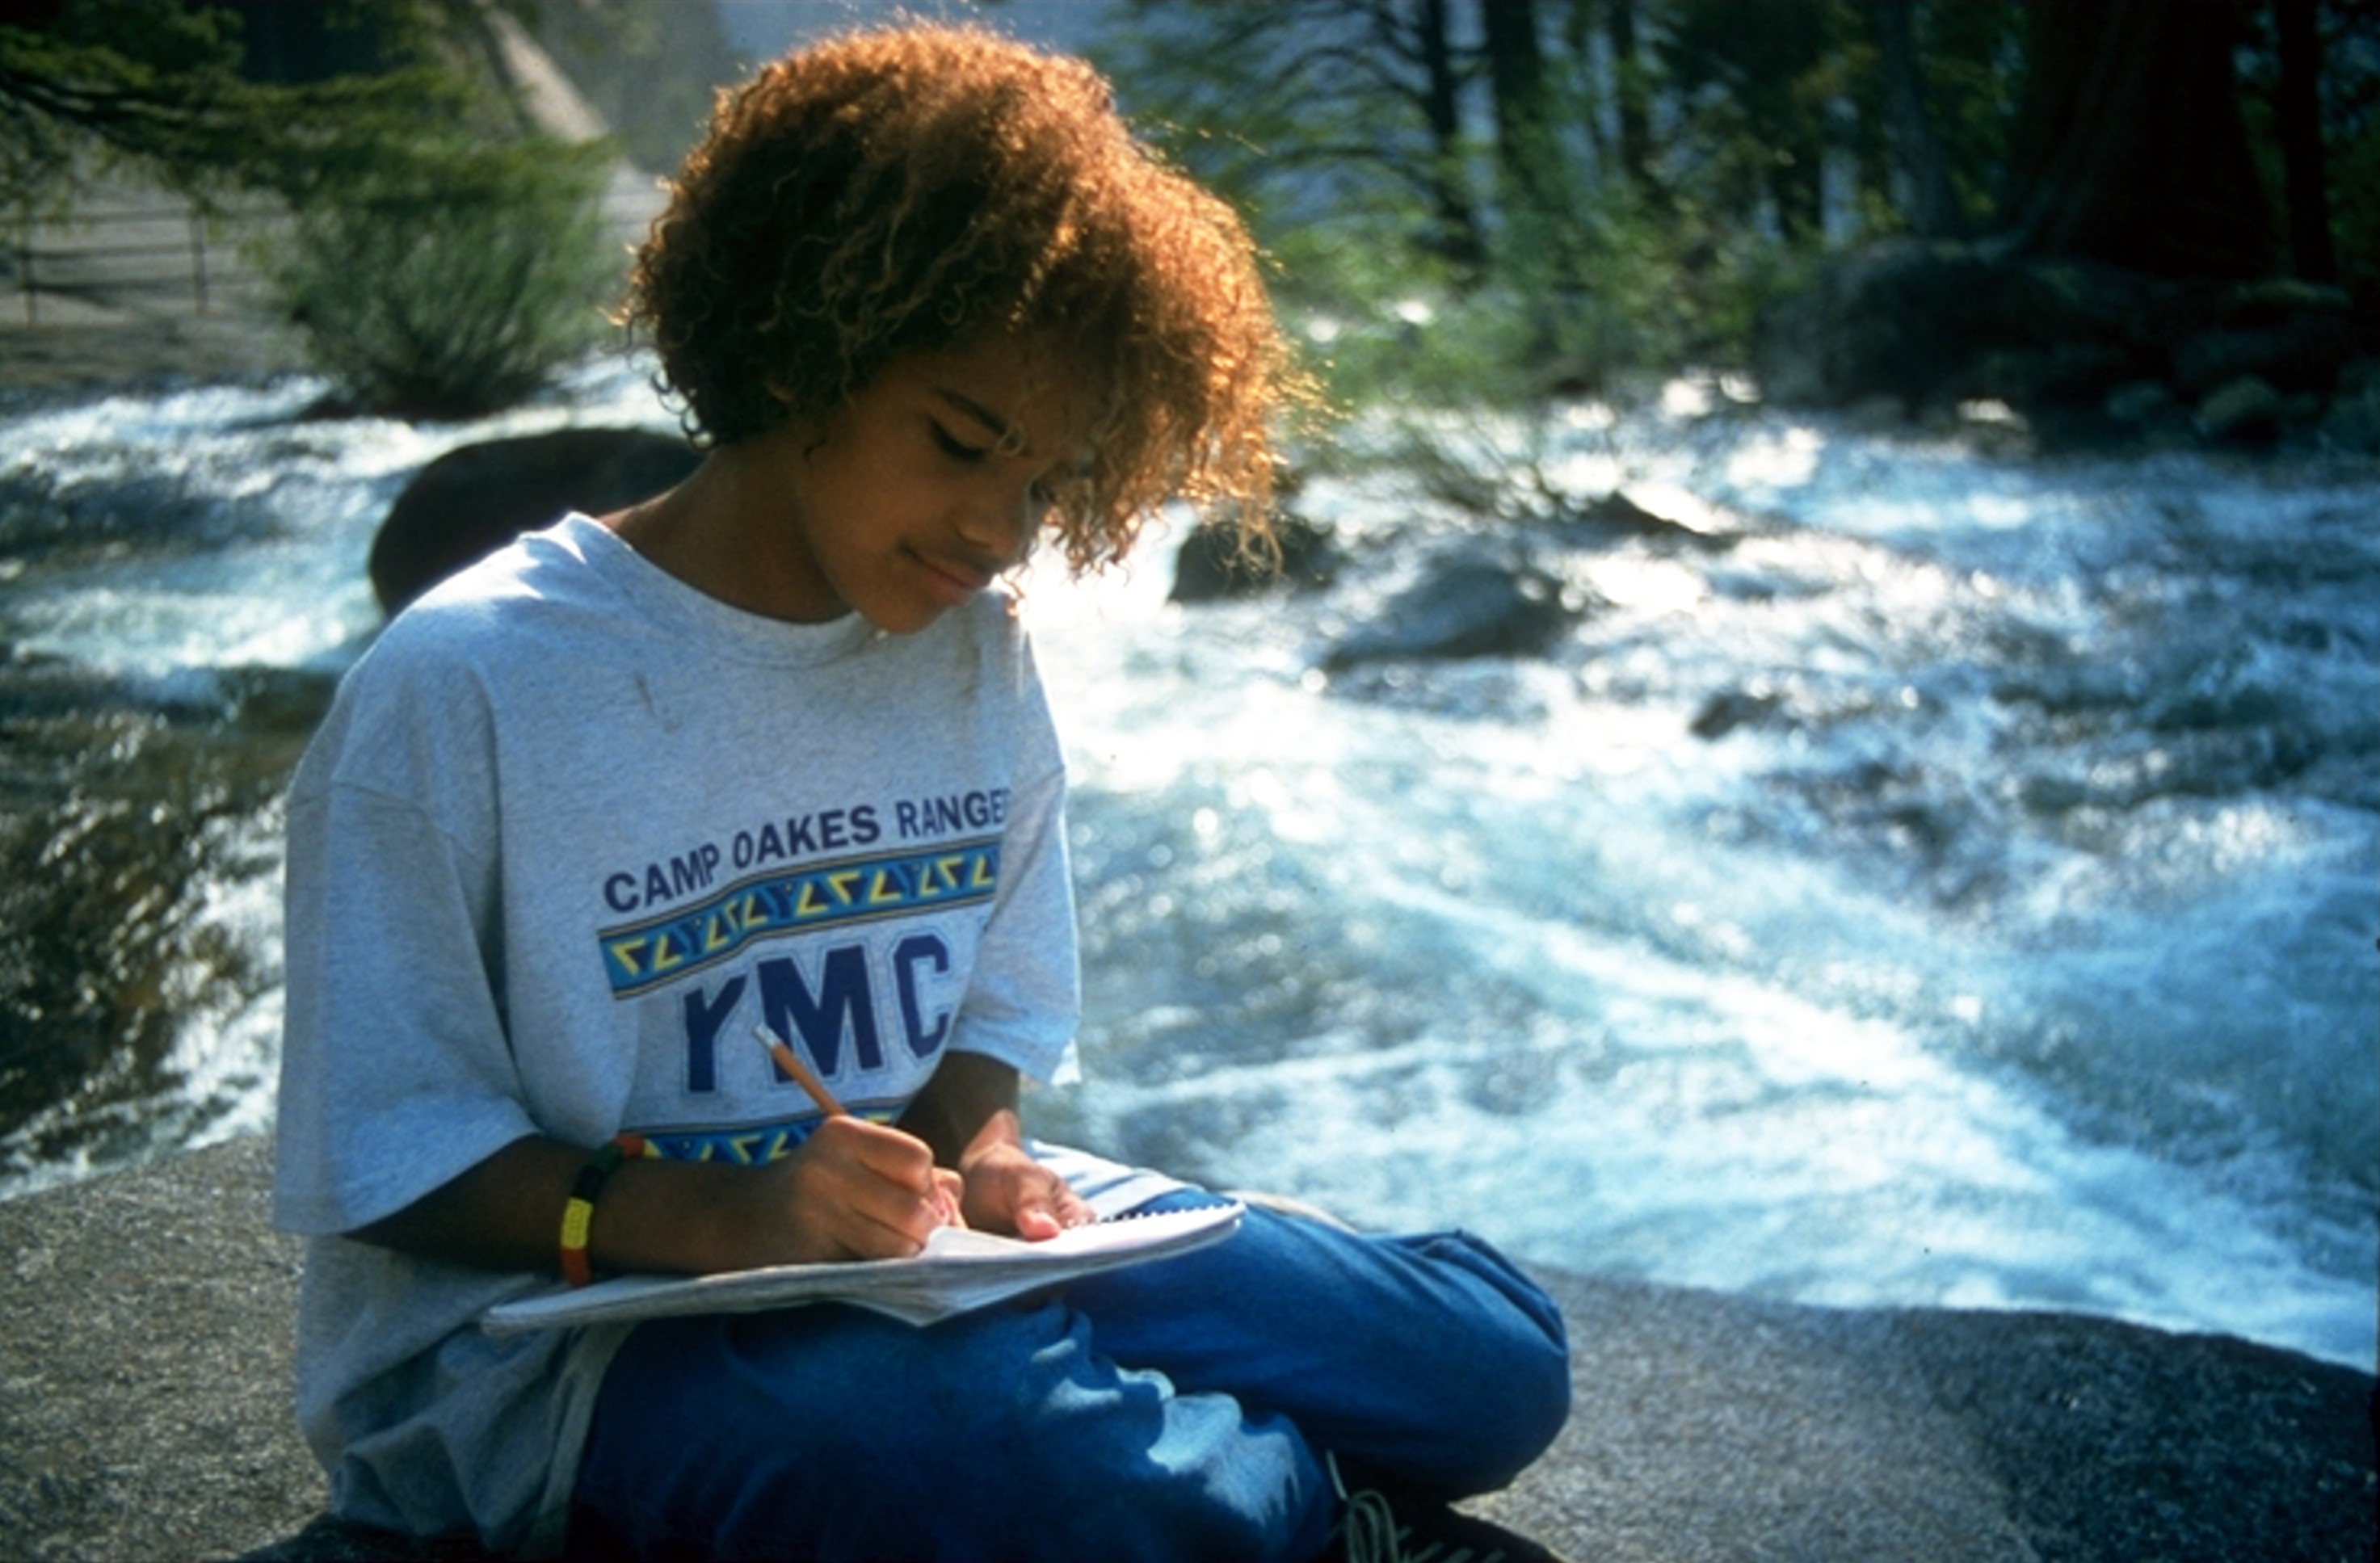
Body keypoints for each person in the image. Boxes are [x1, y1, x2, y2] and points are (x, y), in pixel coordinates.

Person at [272, 23, 1570, 1563]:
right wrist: (728, 1220)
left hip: (908, 1251)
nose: (1004, 530)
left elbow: (974, 1049)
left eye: (1048, 482)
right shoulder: (471, 680)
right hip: (566, 1345)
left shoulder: (969, 650)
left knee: (1495, 1361)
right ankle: (1309, 1509)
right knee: (1045, 1483)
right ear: (799, 344)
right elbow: (384, 1155)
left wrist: (996, 1153)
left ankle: (1192, 1467)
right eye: (961, 443)